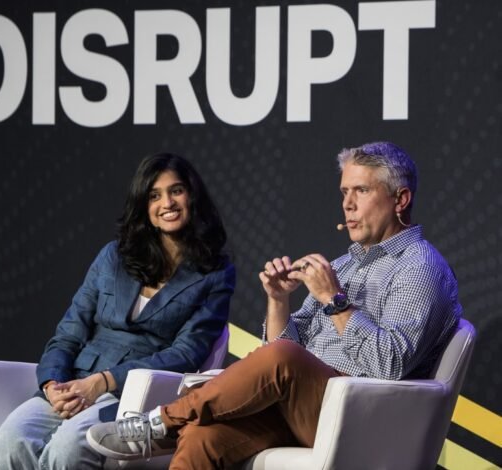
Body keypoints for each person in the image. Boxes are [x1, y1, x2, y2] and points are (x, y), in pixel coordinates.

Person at [87, 141, 462, 468]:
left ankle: (162, 423)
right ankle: (176, 425)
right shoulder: (345, 265)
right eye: (344, 192)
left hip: (364, 417)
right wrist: (279, 300)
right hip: (304, 409)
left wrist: (334, 300)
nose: (347, 204)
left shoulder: (419, 267)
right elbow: (280, 360)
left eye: (361, 191)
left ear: (401, 199)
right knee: (204, 438)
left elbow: (390, 366)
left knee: (283, 357)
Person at [0, 153, 236, 469]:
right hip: (74, 382)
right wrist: (53, 386)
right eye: (154, 195)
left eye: (177, 190)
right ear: (144, 206)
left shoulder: (215, 272)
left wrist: (103, 382)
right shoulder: (114, 256)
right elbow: (70, 330)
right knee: (11, 437)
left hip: (134, 395)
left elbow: (187, 353)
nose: (167, 203)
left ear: (193, 196)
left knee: (68, 449)